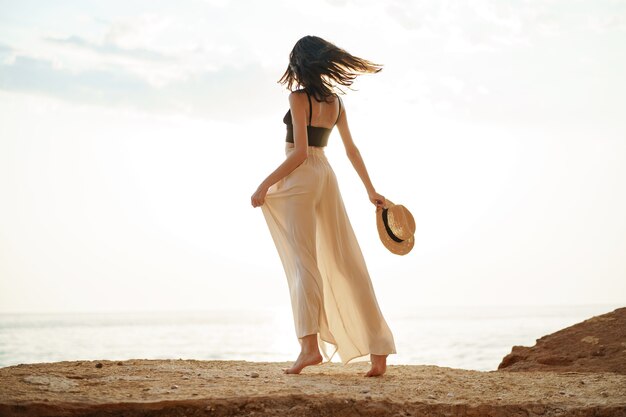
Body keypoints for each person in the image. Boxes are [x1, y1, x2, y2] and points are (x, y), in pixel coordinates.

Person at [250, 35, 396, 377]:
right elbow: (351, 151)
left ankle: (309, 349)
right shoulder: (336, 103)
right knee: (347, 259)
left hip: (301, 177)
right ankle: (379, 351)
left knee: (304, 264)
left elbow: (300, 152)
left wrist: (264, 185)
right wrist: (370, 190)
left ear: (300, 64)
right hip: (326, 175)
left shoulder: (299, 98)